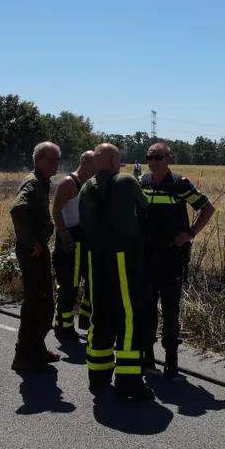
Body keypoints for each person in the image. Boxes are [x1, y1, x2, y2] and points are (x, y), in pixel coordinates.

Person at [79, 143, 153, 400]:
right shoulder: (126, 181)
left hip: (95, 258)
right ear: (113, 161)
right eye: (119, 159)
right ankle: (129, 381)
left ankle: (98, 375)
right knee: (130, 316)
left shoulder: (86, 187)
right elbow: (144, 206)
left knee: (100, 314)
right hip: (123, 257)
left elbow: (84, 223)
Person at [138, 141, 215, 379]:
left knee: (171, 310)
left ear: (169, 159)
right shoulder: (142, 182)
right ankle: (147, 356)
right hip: (146, 257)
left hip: (171, 257)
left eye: (158, 157)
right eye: (149, 157)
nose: (153, 162)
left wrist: (190, 233)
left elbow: (207, 208)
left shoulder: (180, 183)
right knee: (147, 308)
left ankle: (171, 360)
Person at [9, 141, 62, 371]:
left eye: (57, 160)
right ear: (38, 160)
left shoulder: (42, 181)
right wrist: (32, 242)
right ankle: (24, 355)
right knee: (35, 302)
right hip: (32, 252)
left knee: (44, 302)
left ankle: (37, 347)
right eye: (50, 160)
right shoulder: (33, 183)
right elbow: (17, 209)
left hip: (36, 249)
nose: (55, 164)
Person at [51, 149, 96, 340]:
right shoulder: (69, 183)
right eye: (95, 164)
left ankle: (85, 321)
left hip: (87, 240)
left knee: (93, 283)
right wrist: (64, 235)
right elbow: (56, 211)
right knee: (69, 285)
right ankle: (63, 327)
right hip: (70, 240)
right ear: (84, 163)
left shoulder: (93, 183)